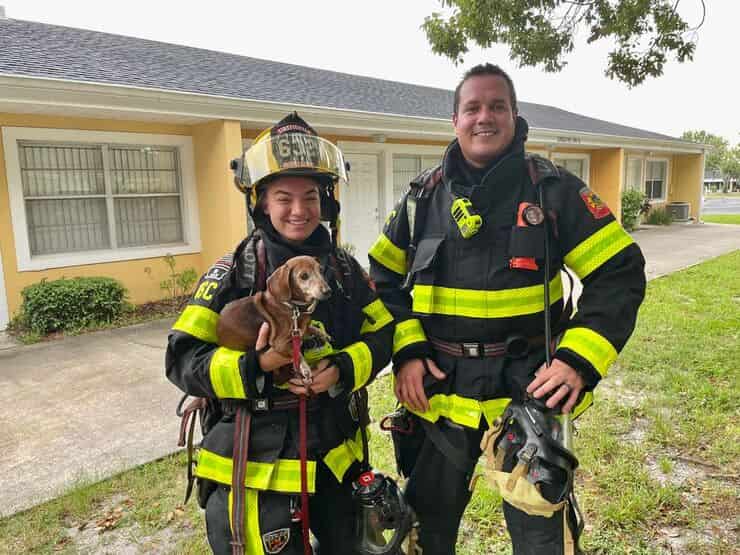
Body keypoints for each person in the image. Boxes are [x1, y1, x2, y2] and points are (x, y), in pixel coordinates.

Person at [368, 64, 646, 554]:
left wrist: (576, 360)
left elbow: (618, 273)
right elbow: (382, 280)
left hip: (528, 394)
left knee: (541, 540)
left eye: (497, 106)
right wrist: (408, 352)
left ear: (515, 117)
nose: (484, 117)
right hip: (442, 396)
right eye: (472, 107)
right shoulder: (422, 199)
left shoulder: (554, 191)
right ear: (454, 119)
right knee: (426, 533)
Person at [167, 112, 394, 555]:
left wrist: (344, 368)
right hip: (256, 460)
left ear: (326, 203)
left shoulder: (345, 271)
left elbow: (385, 335)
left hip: (336, 456)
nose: (298, 210)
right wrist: (255, 365)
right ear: (261, 204)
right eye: (283, 197)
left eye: (310, 196)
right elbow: (181, 359)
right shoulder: (232, 273)